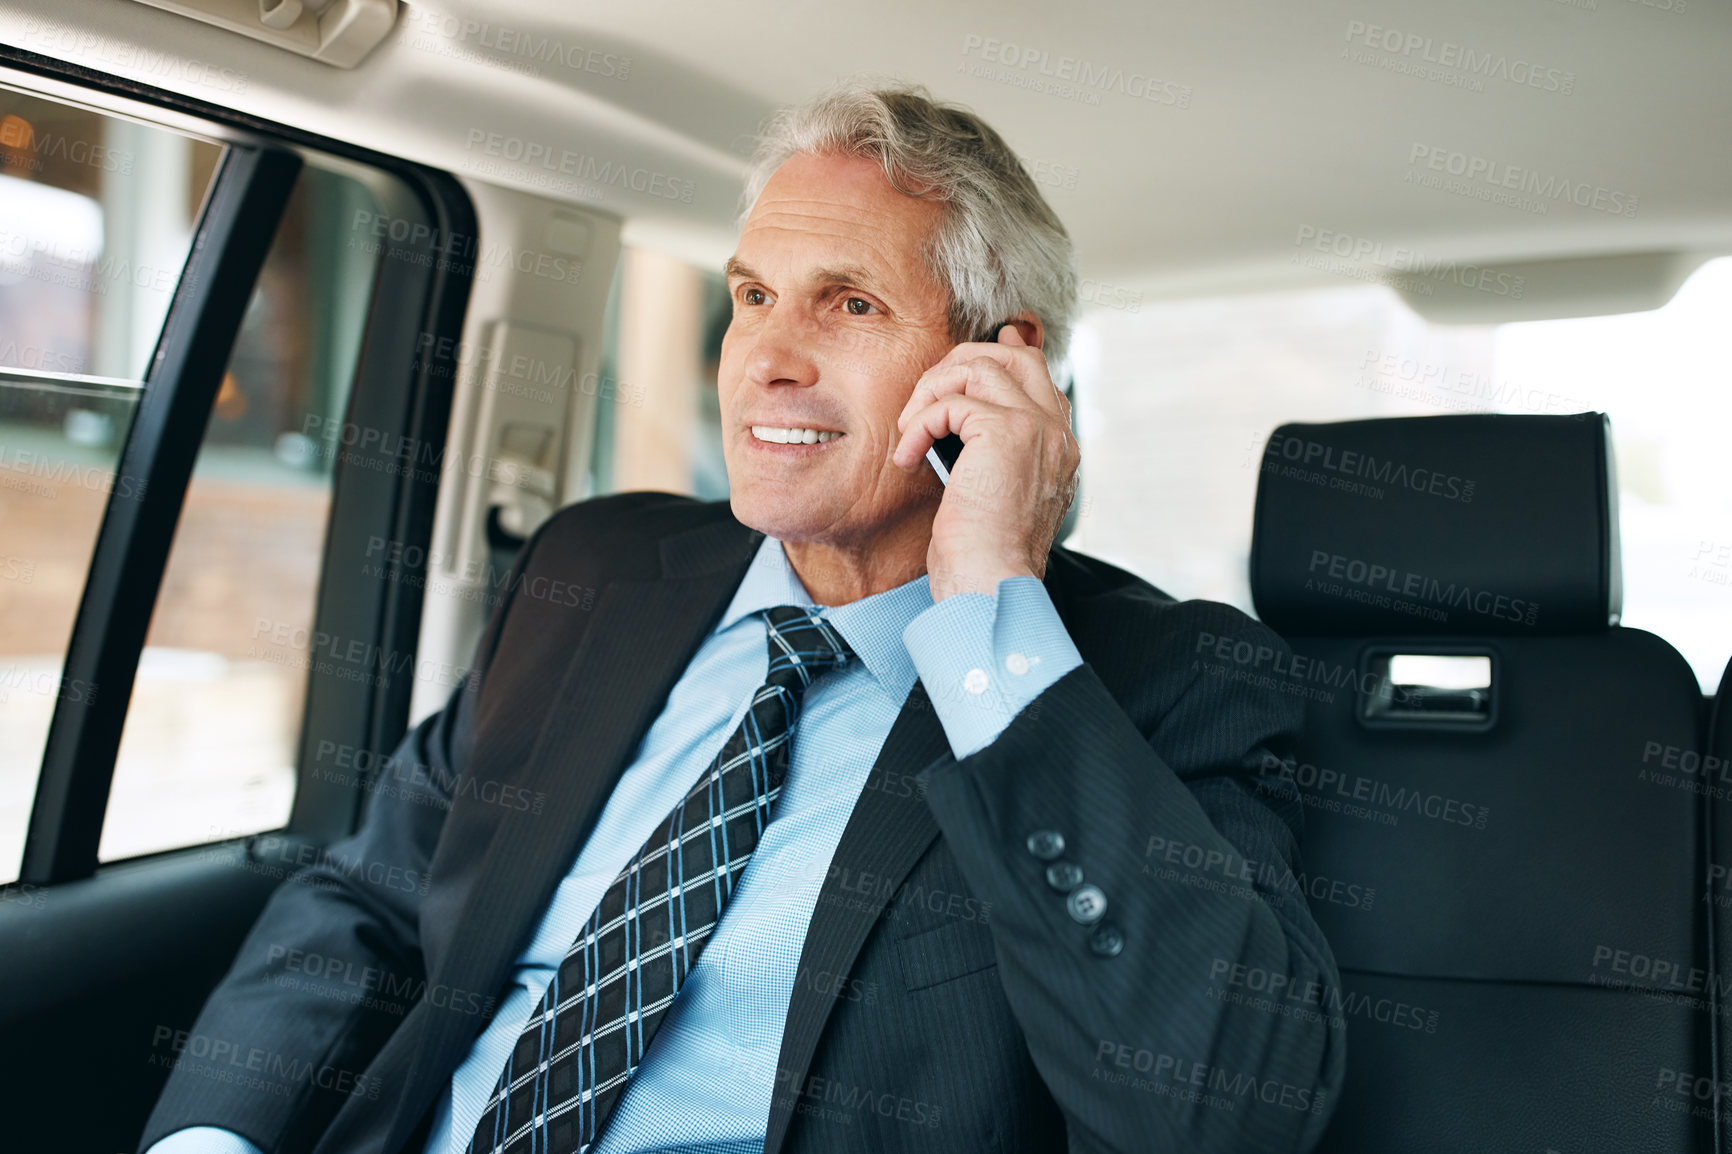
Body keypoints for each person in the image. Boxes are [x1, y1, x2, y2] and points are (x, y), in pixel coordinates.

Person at [141, 81, 1344, 1154]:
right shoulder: (598, 566)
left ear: (995, 368)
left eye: (850, 305)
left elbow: (1216, 1109)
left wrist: (990, 609)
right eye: (755, 294)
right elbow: (374, 899)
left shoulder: (1157, 677)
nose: (765, 355)